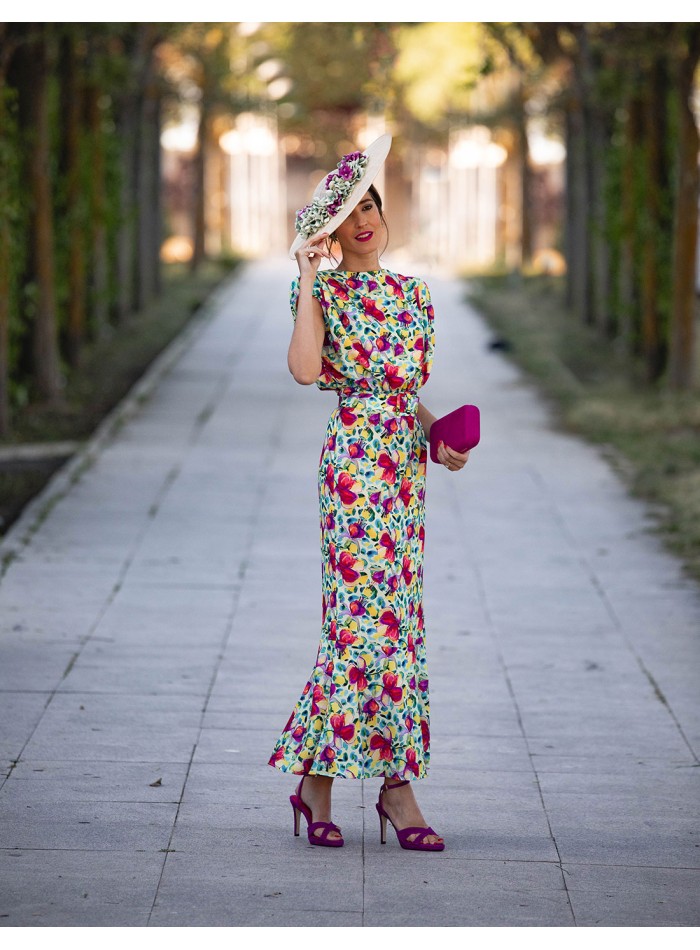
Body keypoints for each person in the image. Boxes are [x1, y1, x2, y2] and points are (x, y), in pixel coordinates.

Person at [267, 134, 470, 851]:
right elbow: (304, 371)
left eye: (371, 208)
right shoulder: (321, 292)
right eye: (349, 212)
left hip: (405, 474)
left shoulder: (414, 295)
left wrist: (439, 437)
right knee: (357, 627)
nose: (364, 221)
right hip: (353, 470)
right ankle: (375, 791)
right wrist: (306, 277)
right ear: (330, 229)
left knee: (398, 629)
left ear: (386, 216)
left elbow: (405, 393)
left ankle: (355, 786)